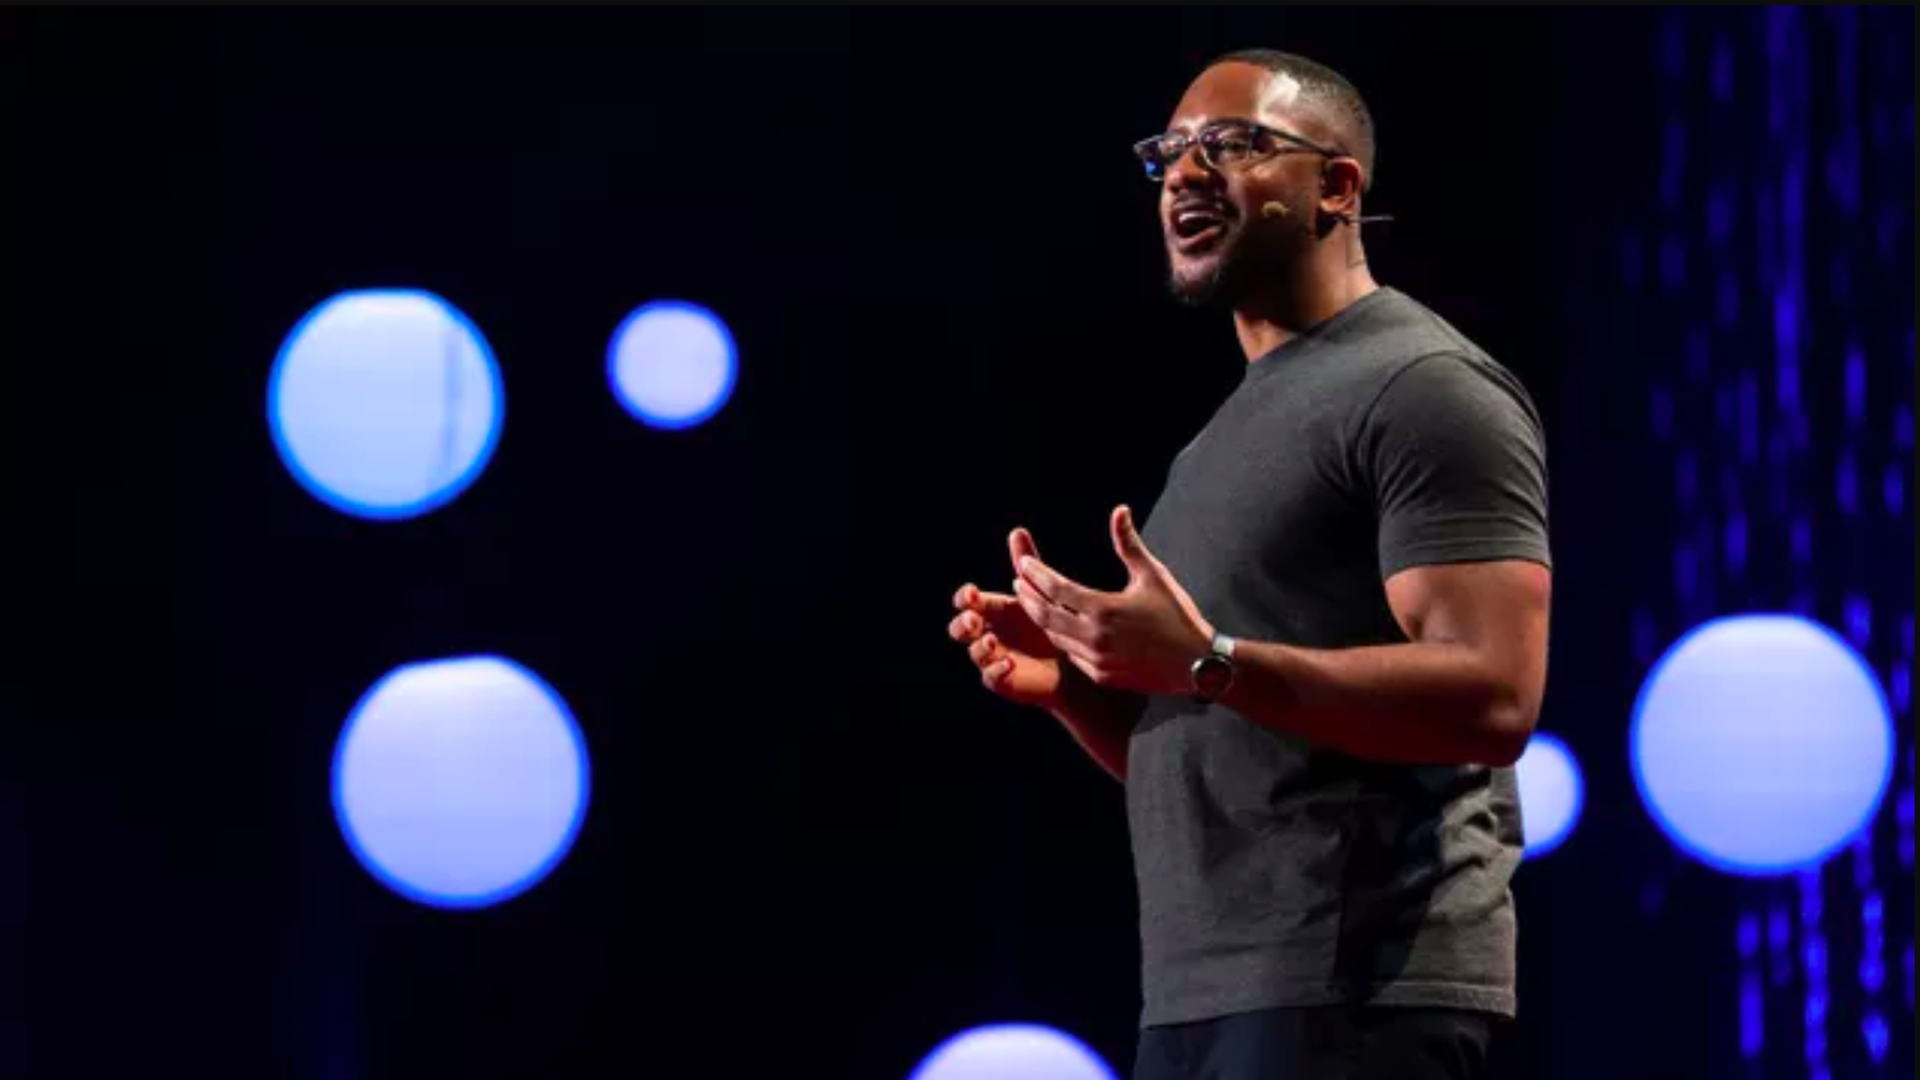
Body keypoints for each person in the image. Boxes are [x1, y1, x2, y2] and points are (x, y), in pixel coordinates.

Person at [946, 49, 1552, 1080]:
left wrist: (1204, 660)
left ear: (1336, 186)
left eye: (1231, 146)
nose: (1185, 172)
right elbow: (1230, 755)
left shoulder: (1423, 387)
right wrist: (1082, 692)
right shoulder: (1217, 441)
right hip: (1203, 996)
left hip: (1360, 993)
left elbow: (1495, 695)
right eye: (1170, 154)